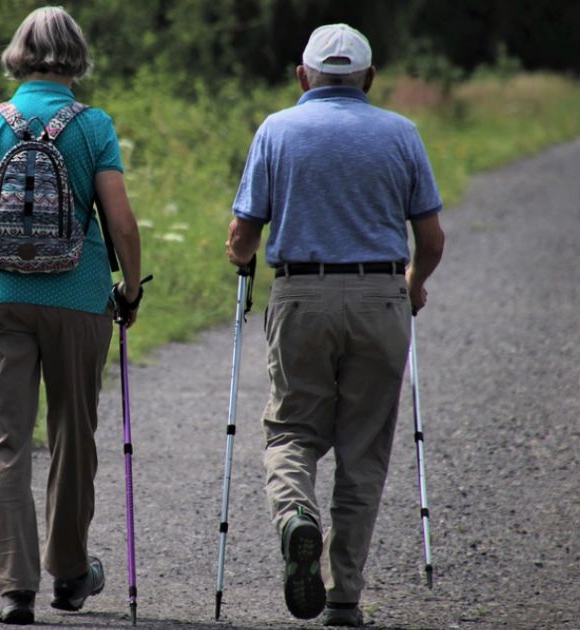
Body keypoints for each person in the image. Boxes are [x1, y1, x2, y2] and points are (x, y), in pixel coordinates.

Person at [225, 23, 445, 627]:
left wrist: (240, 256)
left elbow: (243, 236)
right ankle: (344, 594)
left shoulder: (277, 129)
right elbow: (431, 238)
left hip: (301, 296)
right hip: (380, 298)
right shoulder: (401, 133)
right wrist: (414, 284)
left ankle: (297, 515)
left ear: (303, 75)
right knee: (363, 450)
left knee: (292, 431)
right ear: (369, 79)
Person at [0, 6, 143, 625]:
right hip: (79, 297)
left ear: (19, 55)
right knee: (72, 436)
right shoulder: (94, 126)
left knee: (1, 439)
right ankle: (71, 574)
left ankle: (15, 588)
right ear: (76, 56)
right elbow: (119, 221)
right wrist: (129, 291)